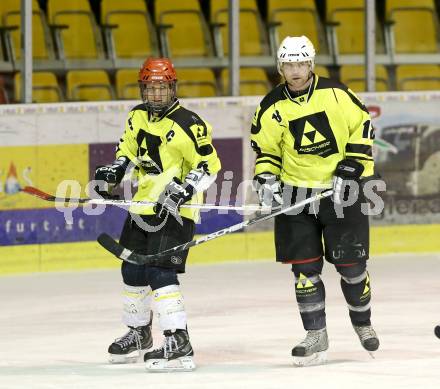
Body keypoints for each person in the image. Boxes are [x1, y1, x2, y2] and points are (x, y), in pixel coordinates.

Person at [250, 35, 379, 366]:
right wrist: (266, 178)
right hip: (297, 196)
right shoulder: (270, 106)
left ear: (311, 64)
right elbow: (266, 151)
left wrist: (350, 168)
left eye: (301, 64)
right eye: (288, 65)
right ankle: (315, 334)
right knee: (305, 271)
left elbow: (363, 128)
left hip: (343, 191)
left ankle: (362, 324)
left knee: (352, 269)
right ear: (281, 67)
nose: (295, 71)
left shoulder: (337, 94)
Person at [94, 57, 221, 371]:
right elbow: (128, 152)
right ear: (142, 89)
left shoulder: (190, 123)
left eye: (162, 88)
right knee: (133, 270)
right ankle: (139, 333)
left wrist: (185, 189)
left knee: (160, 271)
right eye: (151, 88)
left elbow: (209, 165)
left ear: (172, 88)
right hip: (143, 205)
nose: (156, 94)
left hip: (176, 211)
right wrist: (115, 172)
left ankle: (178, 340)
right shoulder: (137, 116)